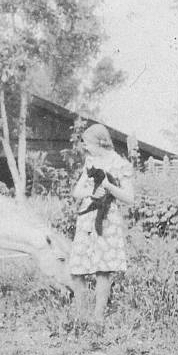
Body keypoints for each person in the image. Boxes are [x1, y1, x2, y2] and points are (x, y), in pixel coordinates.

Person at [70, 123, 134, 327]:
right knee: (77, 269)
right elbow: (76, 192)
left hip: (107, 219)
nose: (85, 147)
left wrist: (108, 186)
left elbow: (129, 198)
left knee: (102, 269)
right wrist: (90, 192)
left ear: (100, 142)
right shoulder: (90, 161)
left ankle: (98, 319)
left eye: (87, 143)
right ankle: (80, 317)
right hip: (87, 218)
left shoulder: (120, 164)